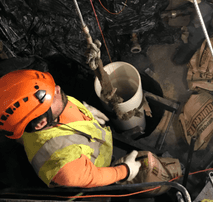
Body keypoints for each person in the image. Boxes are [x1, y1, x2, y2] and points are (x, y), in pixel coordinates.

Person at [0, 69, 141, 188]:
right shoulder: (62, 162)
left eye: (51, 86)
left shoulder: (51, 108)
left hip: (99, 142)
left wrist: (86, 111)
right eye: (51, 96)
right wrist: (124, 171)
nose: (57, 89)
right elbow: (92, 176)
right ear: (41, 123)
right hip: (98, 170)